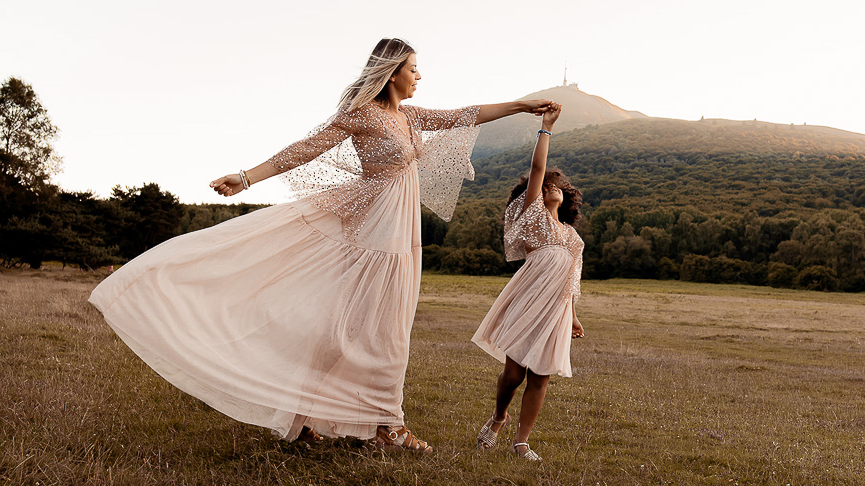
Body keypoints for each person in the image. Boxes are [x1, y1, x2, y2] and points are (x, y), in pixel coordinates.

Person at [89, 38, 554, 453]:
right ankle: (383, 425)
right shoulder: (362, 115)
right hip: (369, 238)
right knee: (364, 331)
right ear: (393, 71)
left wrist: (520, 105)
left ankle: (330, 421)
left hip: (400, 240)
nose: (419, 77)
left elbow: (465, 115)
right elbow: (305, 149)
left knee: (374, 331)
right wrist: (247, 176)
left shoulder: (409, 117)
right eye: (414, 68)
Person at [471, 102, 585, 461]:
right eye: (547, 184)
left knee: (541, 375)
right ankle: (499, 417)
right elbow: (538, 167)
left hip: (557, 307)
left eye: (558, 185)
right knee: (514, 372)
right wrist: (546, 128)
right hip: (529, 298)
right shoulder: (534, 214)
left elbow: (571, 277)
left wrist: (574, 315)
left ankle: (522, 441)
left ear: (565, 195)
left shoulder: (572, 236)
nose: (552, 186)